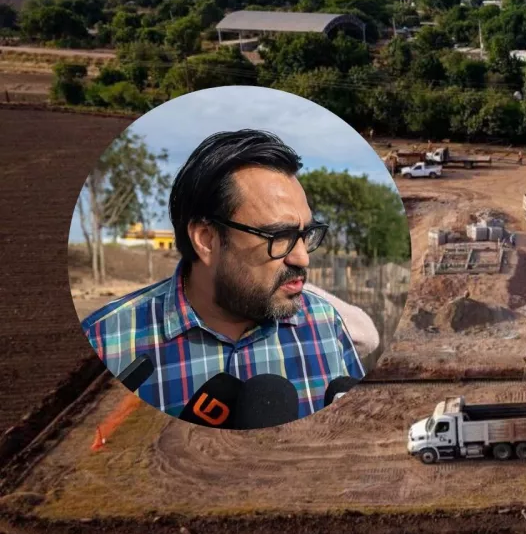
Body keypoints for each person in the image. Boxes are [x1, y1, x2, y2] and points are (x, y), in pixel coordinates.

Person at [81, 130, 365, 423]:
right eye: (280, 236)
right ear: (206, 240)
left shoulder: (324, 323)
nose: (302, 257)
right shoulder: (108, 342)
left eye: (306, 234)